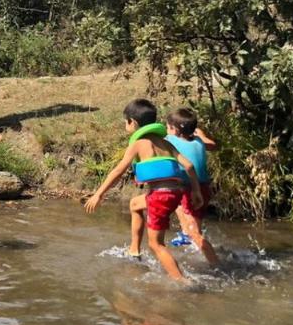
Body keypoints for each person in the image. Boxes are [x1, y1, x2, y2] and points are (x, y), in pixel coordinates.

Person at [83, 98, 216, 281]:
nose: (125, 124)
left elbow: (119, 171)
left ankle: (183, 281)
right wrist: (195, 191)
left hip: (160, 196)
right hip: (176, 193)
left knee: (156, 244)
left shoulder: (138, 144)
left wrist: (98, 194)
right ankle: (134, 251)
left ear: (133, 123)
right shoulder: (166, 143)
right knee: (135, 204)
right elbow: (189, 166)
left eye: (126, 121)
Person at [166, 107, 219, 264]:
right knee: (191, 220)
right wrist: (201, 134)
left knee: (193, 232)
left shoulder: (170, 141)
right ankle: (187, 235)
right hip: (204, 188)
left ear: (174, 130)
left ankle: (217, 263)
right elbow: (213, 145)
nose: (166, 130)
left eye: (167, 127)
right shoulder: (199, 140)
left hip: (189, 188)